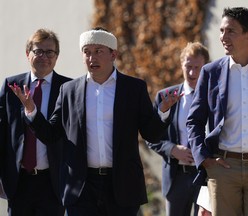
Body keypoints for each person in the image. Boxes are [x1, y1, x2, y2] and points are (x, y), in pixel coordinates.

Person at [9, 27, 179, 216]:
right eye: (87, 52)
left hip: (121, 186)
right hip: (81, 189)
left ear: (113, 54)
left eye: (98, 51)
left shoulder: (133, 88)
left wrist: (163, 111)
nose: (92, 58)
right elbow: (51, 134)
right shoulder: (69, 91)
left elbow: (151, 133)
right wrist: (31, 109)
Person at [187, 7, 248, 216]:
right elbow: (194, 121)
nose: (223, 37)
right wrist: (204, 159)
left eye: (230, 31)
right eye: (221, 30)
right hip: (222, 169)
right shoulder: (210, 72)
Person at [0, 28, 72, 215]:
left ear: (57, 56)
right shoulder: (11, 86)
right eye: (38, 51)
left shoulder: (69, 89)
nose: (44, 57)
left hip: (53, 183)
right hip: (18, 182)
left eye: (50, 52)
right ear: (27, 54)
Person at [147, 42, 209, 216]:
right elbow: (151, 135)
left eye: (198, 67)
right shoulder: (166, 97)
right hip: (176, 177)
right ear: (181, 65)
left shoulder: (215, 98)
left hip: (205, 176)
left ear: (206, 68)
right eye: (188, 67)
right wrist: (172, 149)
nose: (192, 73)